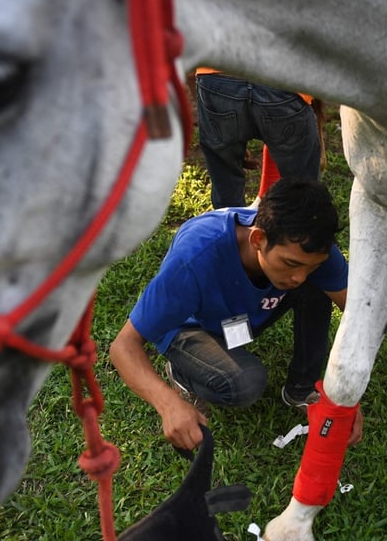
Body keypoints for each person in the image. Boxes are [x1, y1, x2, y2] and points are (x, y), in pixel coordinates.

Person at [110, 179, 350, 450]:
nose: (298, 276)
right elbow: (123, 347)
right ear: (258, 239)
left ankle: (302, 389)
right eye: (290, 263)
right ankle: (182, 373)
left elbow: (357, 313)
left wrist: (346, 396)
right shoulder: (195, 257)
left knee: (319, 286)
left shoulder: (309, 248)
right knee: (245, 382)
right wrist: (168, 404)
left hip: (240, 317)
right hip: (188, 327)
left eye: (310, 266)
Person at [194, 68, 322, 209]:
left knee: (226, 187)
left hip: (217, 77)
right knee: (303, 192)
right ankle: (300, 226)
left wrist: (220, 130)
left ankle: (231, 226)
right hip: (283, 79)